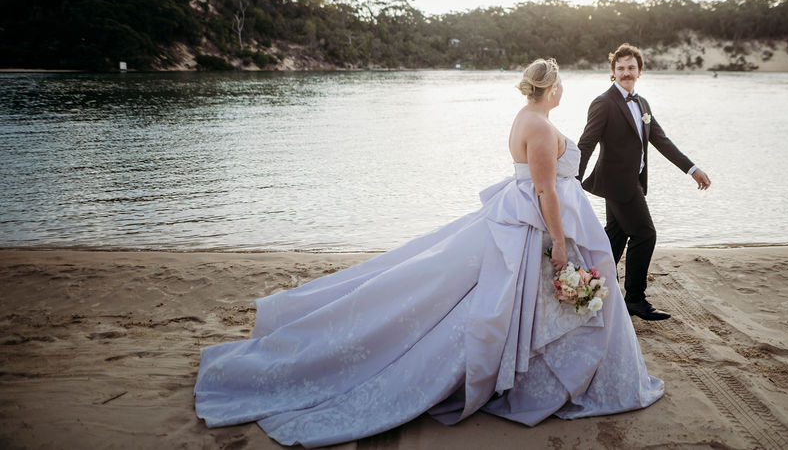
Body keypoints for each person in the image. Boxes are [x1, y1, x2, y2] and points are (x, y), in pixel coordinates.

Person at [194, 58, 663, 448]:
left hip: (522, 218)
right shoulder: (539, 127)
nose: (564, 90)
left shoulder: (527, 117)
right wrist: (559, 242)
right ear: (551, 88)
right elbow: (545, 191)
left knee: (509, 302)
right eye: (561, 84)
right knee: (502, 301)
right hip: (536, 225)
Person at [578, 43, 711, 321]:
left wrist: (692, 168)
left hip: (633, 182)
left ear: (639, 71)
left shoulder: (642, 104)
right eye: (621, 68)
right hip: (617, 185)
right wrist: (572, 179)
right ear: (612, 72)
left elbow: (661, 140)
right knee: (645, 234)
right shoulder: (604, 102)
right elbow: (587, 142)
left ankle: (593, 287)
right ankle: (635, 299)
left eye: (631, 68)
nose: (626, 73)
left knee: (616, 236)